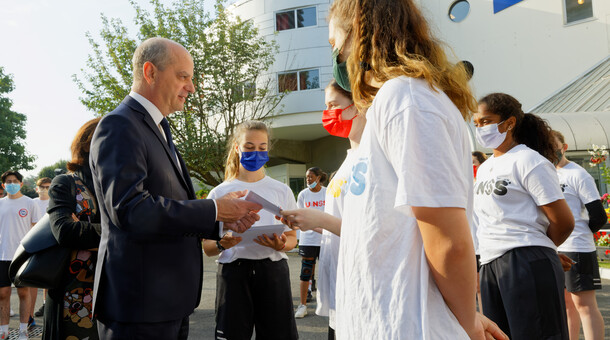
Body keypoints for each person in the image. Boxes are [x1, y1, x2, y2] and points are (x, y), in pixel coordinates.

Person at [281, 0, 507, 339]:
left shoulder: (406, 98)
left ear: (360, 32)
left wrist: (468, 324)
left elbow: (449, 241)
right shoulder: (388, 106)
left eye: (335, 44)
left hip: (412, 326)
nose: (335, 59)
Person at [89, 37, 262, 339]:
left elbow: (170, 203)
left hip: (167, 304)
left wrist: (221, 220)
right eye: (183, 76)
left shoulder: (158, 127)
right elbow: (130, 209)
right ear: (150, 72)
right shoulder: (119, 125)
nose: (191, 87)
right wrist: (213, 209)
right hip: (139, 308)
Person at [473, 93, 575, 339]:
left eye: (486, 121)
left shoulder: (529, 161)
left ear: (509, 123)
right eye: (476, 123)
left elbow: (563, 221)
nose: (480, 128)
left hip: (525, 263)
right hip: (491, 263)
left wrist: (537, 250)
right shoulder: (485, 167)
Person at [202, 120, 299, 340]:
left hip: (273, 273)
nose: (256, 152)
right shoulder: (219, 193)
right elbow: (207, 247)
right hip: (233, 275)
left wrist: (282, 244)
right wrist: (221, 243)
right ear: (237, 147)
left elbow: (292, 237)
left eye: (262, 148)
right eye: (249, 147)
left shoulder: (281, 191)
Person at [42, 118, 102, 340]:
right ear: (87, 144)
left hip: (114, 289)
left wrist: (85, 229)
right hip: (73, 294)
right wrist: (117, 231)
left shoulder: (117, 186)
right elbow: (64, 232)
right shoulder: (65, 183)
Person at [317, 80, 366, 339]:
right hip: (339, 284)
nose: (328, 113)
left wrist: (320, 219)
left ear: (358, 105)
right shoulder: (349, 159)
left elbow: (369, 229)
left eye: (333, 105)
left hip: (360, 286)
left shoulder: (371, 158)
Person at [553, 130, 607, 340]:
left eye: (554, 146)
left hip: (578, 248)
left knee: (584, 306)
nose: (550, 151)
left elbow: (598, 215)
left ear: (564, 147)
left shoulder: (578, 174)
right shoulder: (546, 172)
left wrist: (581, 232)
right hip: (555, 247)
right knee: (566, 305)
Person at [0, 170, 40, 340]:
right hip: (2, 255)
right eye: (8, 181)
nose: (12, 183)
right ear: (3, 185)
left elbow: (36, 229)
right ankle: (3, 330)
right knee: (3, 294)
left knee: (24, 293)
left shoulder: (30, 203)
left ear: (21, 184)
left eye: (15, 181)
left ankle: (23, 330)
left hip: (23, 255)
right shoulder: (0, 204)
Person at [294, 167, 326, 319]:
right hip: (308, 239)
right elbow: (299, 217)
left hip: (325, 239)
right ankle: (302, 305)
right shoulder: (303, 195)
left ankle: (329, 304)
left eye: (311, 177)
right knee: (305, 272)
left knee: (327, 271)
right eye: (307, 177)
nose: (308, 180)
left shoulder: (328, 192)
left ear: (319, 178)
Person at [29, 177, 51, 325]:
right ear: (37, 188)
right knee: (32, 279)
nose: (44, 189)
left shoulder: (55, 201)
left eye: (48, 187)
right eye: (42, 187)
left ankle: (46, 304)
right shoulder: (32, 203)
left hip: (50, 243)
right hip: (34, 244)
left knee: (48, 278)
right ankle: (29, 312)